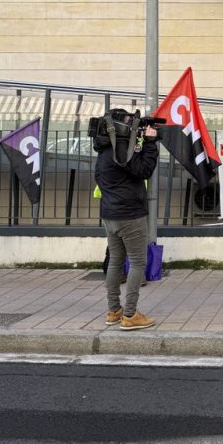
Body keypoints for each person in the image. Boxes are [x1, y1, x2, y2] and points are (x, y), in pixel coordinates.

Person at [93, 109, 159, 329]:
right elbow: (144, 169)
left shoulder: (105, 150)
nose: (133, 125)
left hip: (110, 215)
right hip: (130, 215)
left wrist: (141, 141)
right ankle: (130, 315)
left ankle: (114, 311)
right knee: (138, 262)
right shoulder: (121, 150)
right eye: (130, 122)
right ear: (118, 125)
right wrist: (150, 144)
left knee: (115, 261)